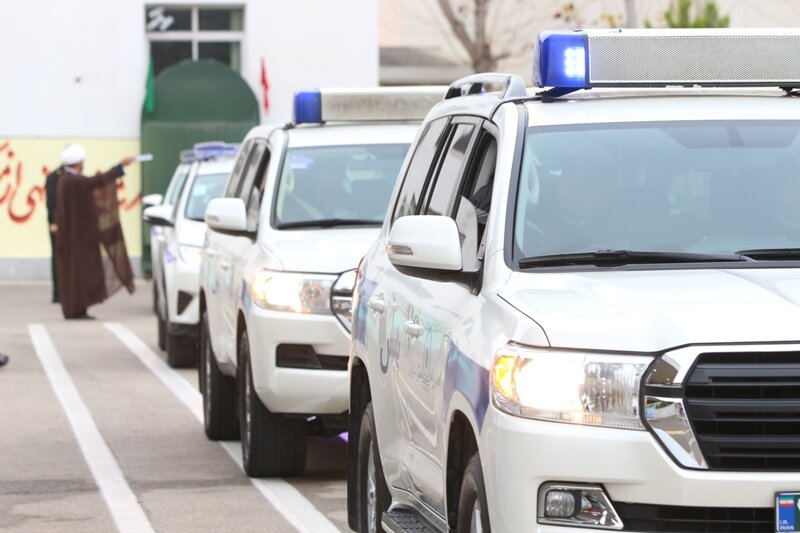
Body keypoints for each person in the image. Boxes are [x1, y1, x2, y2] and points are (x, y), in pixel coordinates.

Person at [56, 144, 138, 319]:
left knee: (79, 273)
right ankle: (77, 309)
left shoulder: (67, 180)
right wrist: (119, 167)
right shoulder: (73, 181)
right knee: (81, 273)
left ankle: (78, 308)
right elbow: (97, 182)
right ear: (79, 162)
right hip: (78, 238)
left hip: (76, 237)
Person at [45, 163, 63, 303]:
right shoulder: (54, 177)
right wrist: (53, 222)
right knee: (58, 258)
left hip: (66, 225)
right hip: (57, 225)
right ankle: (58, 294)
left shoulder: (66, 177)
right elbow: (51, 201)